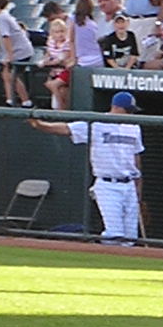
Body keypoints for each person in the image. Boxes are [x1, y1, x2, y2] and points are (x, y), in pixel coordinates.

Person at [29, 90, 145, 243]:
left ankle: (125, 264)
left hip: (129, 184)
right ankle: (107, 261)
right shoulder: (97, 123)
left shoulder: (134, 127)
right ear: (116, 107)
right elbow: (66, 128)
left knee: (130, 236)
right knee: (115, 232)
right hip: (107, 185)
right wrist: (40, 125)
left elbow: (137, 157)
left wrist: (138, 188)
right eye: (128, 110)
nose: (130, 114)